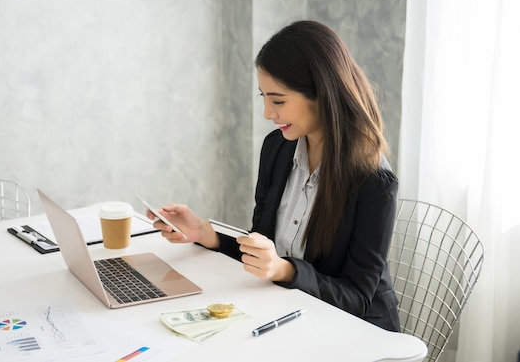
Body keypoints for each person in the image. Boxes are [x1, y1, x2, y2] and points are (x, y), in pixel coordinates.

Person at [148, 20, 400, 331]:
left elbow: (356, 298)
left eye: (278, 100)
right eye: (263, 97)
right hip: (292, 311)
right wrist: (205, 233)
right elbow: (262, 245)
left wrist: (284, 270)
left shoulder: (374, 182)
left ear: (322, 94)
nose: (268, 113)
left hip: (357, 331)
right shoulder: (277, 149)